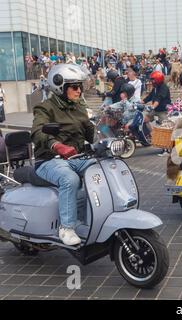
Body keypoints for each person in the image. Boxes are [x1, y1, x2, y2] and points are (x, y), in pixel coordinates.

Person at [31, 64, 96, 246]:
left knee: (101, 169)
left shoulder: (78, 106)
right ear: (60, 86)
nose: (79, 90)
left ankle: (93, 216)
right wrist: (57, 146)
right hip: (50, 160)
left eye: (80, 86)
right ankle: (67, 227)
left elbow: (91, 136)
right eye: (75, 87)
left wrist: (99, 123)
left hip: (76, 158)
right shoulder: (45, 108)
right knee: (70, 179)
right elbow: (37, 132)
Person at [143, 71, 171, 155]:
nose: (152, 81)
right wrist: (140, 102)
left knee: (165, 129)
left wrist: (152, 106)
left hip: (163, 110)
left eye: (153, 80)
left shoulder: (164, 87)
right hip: (155, 109)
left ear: (158, 80)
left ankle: (166, 149)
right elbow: (149, 97)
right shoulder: (155, 87)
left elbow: (159, 98)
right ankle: (152, 135)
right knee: (144, 119)